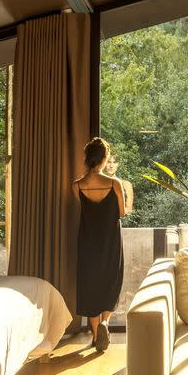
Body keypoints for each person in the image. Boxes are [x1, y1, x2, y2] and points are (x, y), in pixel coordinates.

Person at [73, 137, 125, 351]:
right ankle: (105, 323)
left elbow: (85, 210)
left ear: (87, 158)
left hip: (88, 243)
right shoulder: (114, 183)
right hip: (110, 241)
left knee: (90, 284)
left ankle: (95, 336)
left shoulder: (77, 186)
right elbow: (121, 212)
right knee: (111, 281)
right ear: (104, 159)